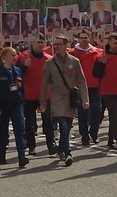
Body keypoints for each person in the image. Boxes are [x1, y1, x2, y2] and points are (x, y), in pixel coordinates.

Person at [39, 35, 90, 166]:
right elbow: (44, 84)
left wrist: (85, 99)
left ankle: (61, 149)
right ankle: (68, 153)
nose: (56, 46)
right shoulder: (50, 63)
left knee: (67, 126)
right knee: (63, 125)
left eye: (59, 44)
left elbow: (82, 81)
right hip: (57, 100)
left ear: (67, 45)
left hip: (71, 100)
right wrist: (42, 102)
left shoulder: (74, 61)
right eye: (54, 44)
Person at [0, 47, 29, 167]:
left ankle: (22, 156)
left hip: (17, 103)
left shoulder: (17, 71)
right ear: (4, 57)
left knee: (20, 130)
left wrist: (23, 101)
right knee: (2, 132)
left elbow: (22, 87)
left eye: (15, 55)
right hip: (2, 105)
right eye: (12, 55)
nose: (15, 57)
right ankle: (2, 154)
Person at [18, 34, 56, 156]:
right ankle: (31, 146)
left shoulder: (49, 58)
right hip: (29, 95)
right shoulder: (23, 57)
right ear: (32, 42)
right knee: (29, 122)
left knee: (48, 121)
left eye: (42, 42)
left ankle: (51, 145)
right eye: (38, 42)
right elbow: (17, 74)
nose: (40, 44)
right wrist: (24, 66)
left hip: (45, 95)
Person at [93, 34, 117, 153]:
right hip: (107, 90)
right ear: (108, 43)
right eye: (114, 43)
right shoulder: (101, 56)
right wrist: (102, 64)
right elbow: (96, 74)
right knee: (113, 114)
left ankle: (110, 140)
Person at [71, 30, 101, 145]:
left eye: (86, 37)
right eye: (81, 37)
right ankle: (84, 136)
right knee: (82, 112)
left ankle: (94, 132)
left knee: (97, 110)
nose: (84, 40)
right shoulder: (73, 52)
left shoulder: (97, 52)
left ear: (90, 38)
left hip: (94, 86)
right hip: (80, 87)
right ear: (78, 39)